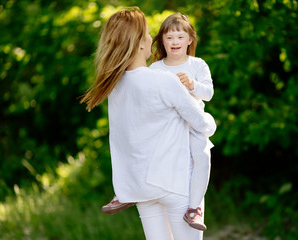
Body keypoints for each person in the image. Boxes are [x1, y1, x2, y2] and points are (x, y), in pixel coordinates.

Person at [80, 7, 216, 240]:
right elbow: (203, 126)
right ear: (140, 43)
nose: (150, 38)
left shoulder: (114, 86)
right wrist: (210, 120)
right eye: (147, 33)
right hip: (174, 183)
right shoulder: (163, 80)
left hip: (140, 187)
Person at [149, 12, 215, 231]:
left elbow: (209, 94)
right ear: (162, 42)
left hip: (194, 126)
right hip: (166, 128)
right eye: (169, 37)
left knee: (203, 156)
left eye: (179, 37)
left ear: (190, 40)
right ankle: (129, 192)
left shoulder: (197, 65)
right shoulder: (156, 68)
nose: (174, 42)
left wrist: (192, 85)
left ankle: (194, 209)